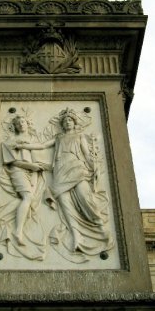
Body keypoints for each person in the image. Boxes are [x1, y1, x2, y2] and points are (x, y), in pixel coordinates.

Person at [17, 108, 113, 260]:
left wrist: (94, 167)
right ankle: (76, 235)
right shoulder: (59, 137)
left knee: (85, 198)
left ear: (74, 123)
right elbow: (42, 146)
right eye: (65, 121)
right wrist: (24, 146)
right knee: (65, 204)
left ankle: (101, 229)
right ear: (62, 124)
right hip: (60, 170)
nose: (67, 122)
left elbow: (87, 154)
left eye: (70, 120)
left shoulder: (80, 136)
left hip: (76, 167)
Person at [0, 114, 49, 260]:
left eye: (23, 121)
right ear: (14, 127)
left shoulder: (33, 139)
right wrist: (32, 166)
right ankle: (18, 231)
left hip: (34, 172)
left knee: (28, 200)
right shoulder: (8, 142)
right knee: (27, 197)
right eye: (18, 123)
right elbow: (12, 162)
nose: (21, 124)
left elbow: (42, 148)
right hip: (19, 170)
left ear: (27, 123)